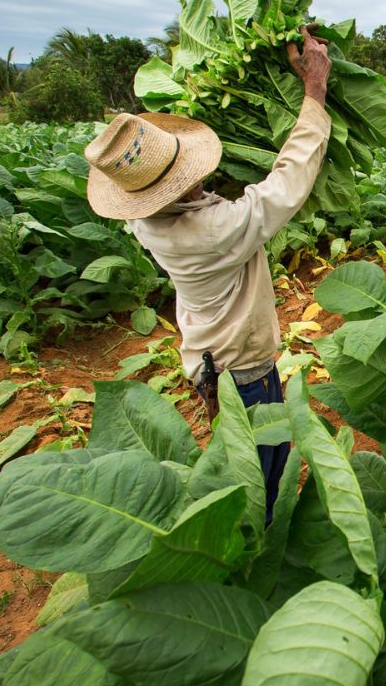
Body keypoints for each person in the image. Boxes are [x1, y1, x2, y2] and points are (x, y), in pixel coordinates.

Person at [82, 26, 332, 525]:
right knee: (261, 475)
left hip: (208, 361)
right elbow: (285, 184)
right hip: (242, 372)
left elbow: (200, 194)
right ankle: (252, 555)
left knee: (239, 458)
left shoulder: (143, 218)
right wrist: (313, 93)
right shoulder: (210, 231)